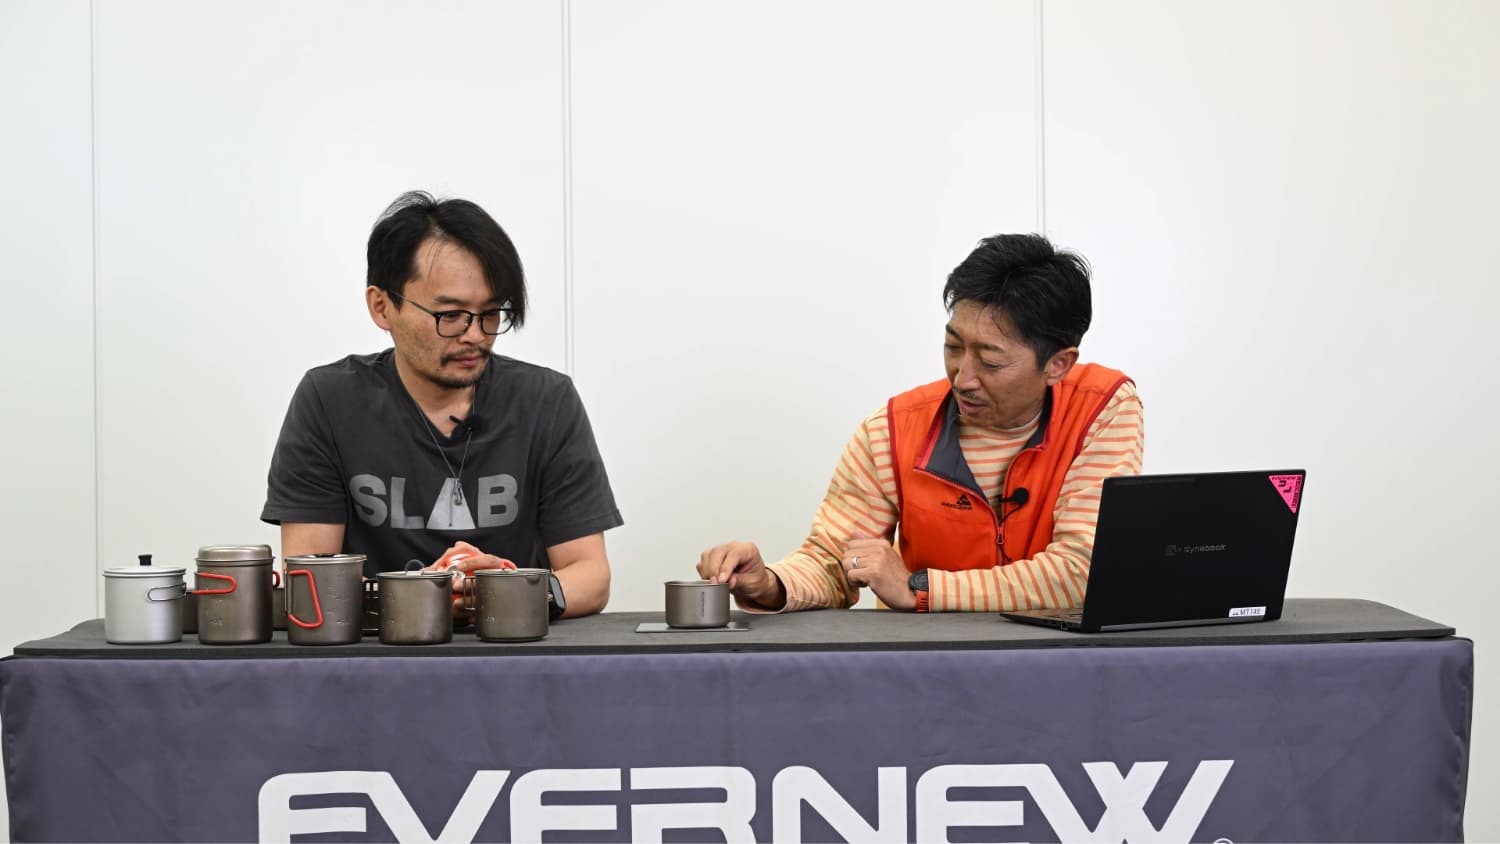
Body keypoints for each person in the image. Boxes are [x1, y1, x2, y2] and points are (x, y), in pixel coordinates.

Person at [697, 233, 1143, 613]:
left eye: (990, 361)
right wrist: (770, 583)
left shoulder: (1102, 409)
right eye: (953, 347)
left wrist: (920, 589)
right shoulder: (891, 430)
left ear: (1058, 364)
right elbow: (833, 563)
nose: (963, 378)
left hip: (1058, 664)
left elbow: (1084, 571)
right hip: (926, 665)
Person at [261, 191, 622, 618]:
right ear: (382, 306)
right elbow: (310, 581)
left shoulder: (546, 401)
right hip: (378, 652)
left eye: (491, 313)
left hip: (513, 647)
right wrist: (424, 594)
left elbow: (590, 575)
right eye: (450, 315)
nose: (475, 335)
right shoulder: (330, 401)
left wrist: (500, 590)